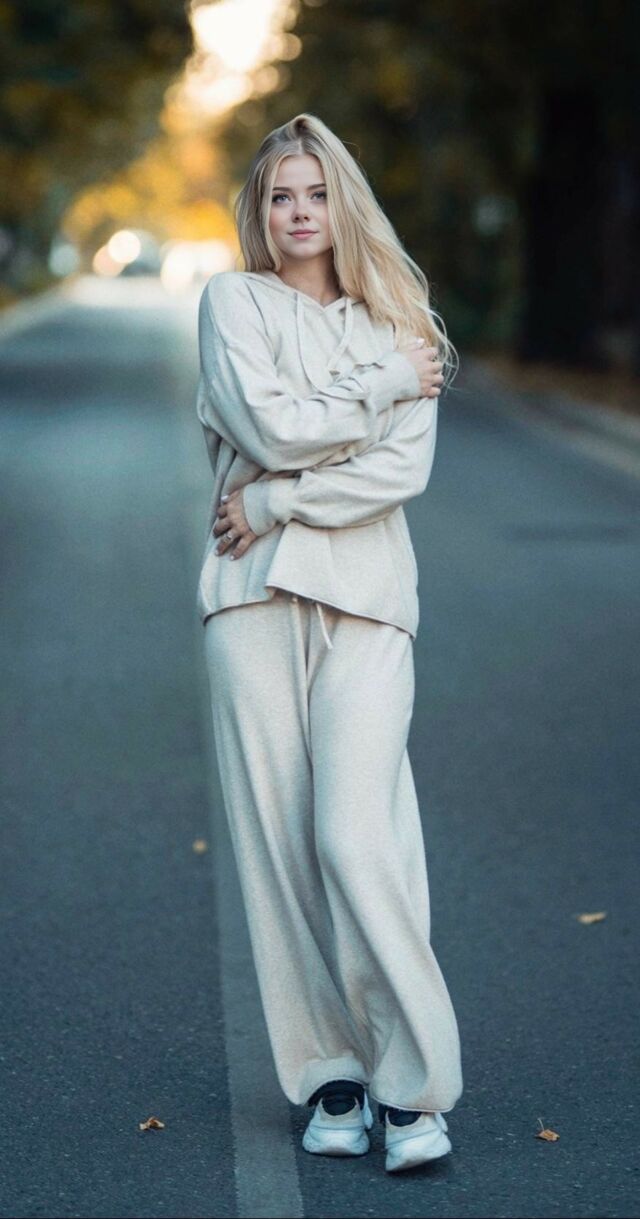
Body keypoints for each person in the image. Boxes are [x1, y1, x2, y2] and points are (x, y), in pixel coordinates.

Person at [195, 112, 463, 1174]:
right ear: (260, 212)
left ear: (342, 204)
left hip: (366, 600)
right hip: (252, 601)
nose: (299, 213)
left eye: (315, 194)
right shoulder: (234, 304)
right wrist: (378, 390)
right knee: (282, 850)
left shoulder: (402, 323)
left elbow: (398, 473)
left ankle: (413, 1083)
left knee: (357, 835)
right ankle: (333, 1076)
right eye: (280, 197)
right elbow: (265, 424)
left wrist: (271, 501)